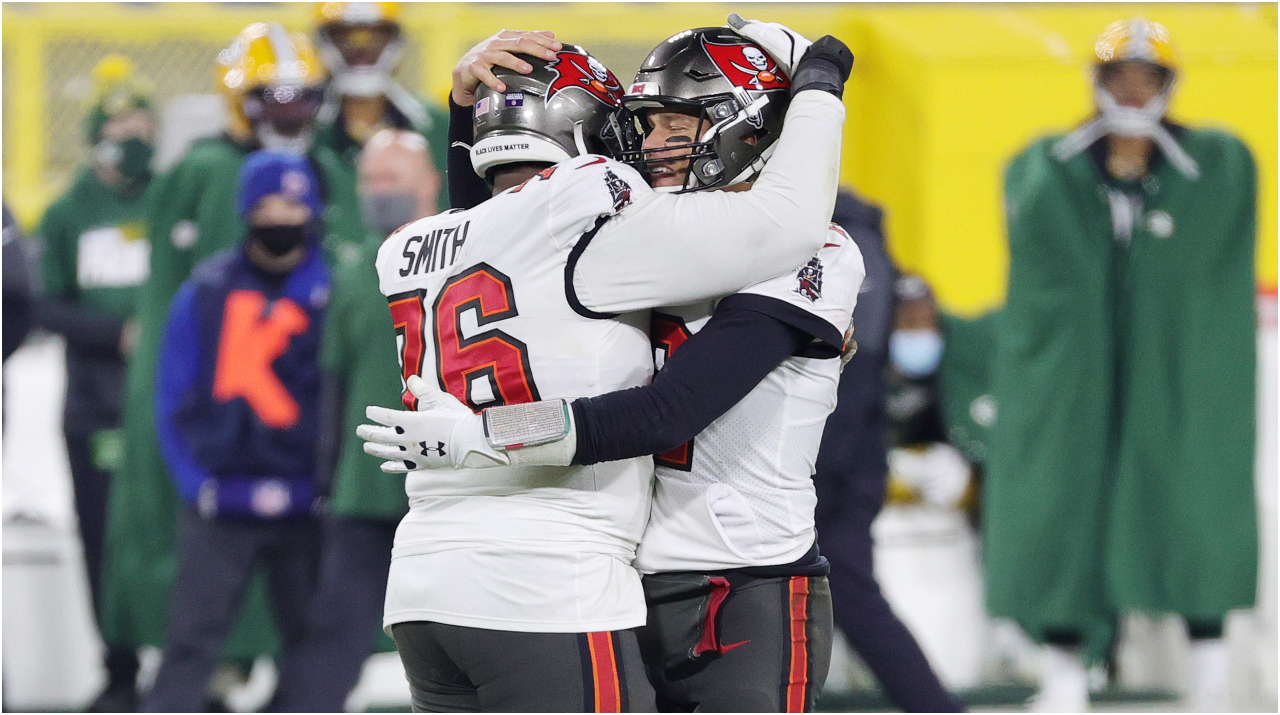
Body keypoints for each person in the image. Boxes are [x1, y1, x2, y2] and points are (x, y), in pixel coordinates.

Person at [358, 22, 851, 711]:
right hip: (624, 573)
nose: (650, 144)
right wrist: (473, 113)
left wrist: (822, 84)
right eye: (643, 123)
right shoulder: (638, 227)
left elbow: (665, 411)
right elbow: (504, 240)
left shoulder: (817, 249)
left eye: (678, 122)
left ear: (753, 122)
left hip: (743, 581)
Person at [985, 18, 1257, 712]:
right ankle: (1068, 667)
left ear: (1169, 84)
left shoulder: (1213, 165)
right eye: (1120, 76)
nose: (1133, 91)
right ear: (1097, 81)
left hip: (1174, 372)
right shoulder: (1051, 166)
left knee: (1195, 501)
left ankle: (1211, 670)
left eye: (1148, 77)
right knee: (1063, 502)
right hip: (1078, 378)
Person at [100, 22, 362, 688]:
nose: (289, 114)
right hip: (229, 438)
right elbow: (177, 330)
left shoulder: (327, 168)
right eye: (271, 99)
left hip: (302, 443)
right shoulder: (207, 177)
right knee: (197, 632)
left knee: (307, 637)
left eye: (301, 99)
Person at [141, 151, 330, 712]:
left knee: (314, 652)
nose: (279, 217)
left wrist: (327, 483)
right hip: (219, 499)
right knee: (189, 647)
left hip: (309, 503)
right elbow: (172, 396)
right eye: (266, 205)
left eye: (293, 204)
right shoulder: (206, 290)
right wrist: (196, 483)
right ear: (246, 212)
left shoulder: (338, 288)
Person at [271, 128, 440, 712]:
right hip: (364, 493)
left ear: (431, 183)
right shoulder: (350, 270)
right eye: (370, 180)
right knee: (333, 636)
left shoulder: (467, 255)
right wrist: (326, 476)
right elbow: (333, 385)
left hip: (448, 487)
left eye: (392, 178)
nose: (378, 191)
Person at [33, 54, 155, 712]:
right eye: (121, 124)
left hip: (164, 404)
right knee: (103, 536)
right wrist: (116, 335)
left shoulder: (169, 197)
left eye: (143, 123)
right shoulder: (67, 210)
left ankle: (195, 667)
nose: (134, 136)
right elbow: (41, 304)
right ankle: (117, 669)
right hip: (98, 405)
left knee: (173, 536)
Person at [312, 2, 450, 212]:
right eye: (344, 38)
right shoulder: (305, 129)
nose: (360, 51)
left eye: (374, 37)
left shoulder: (440, 126)